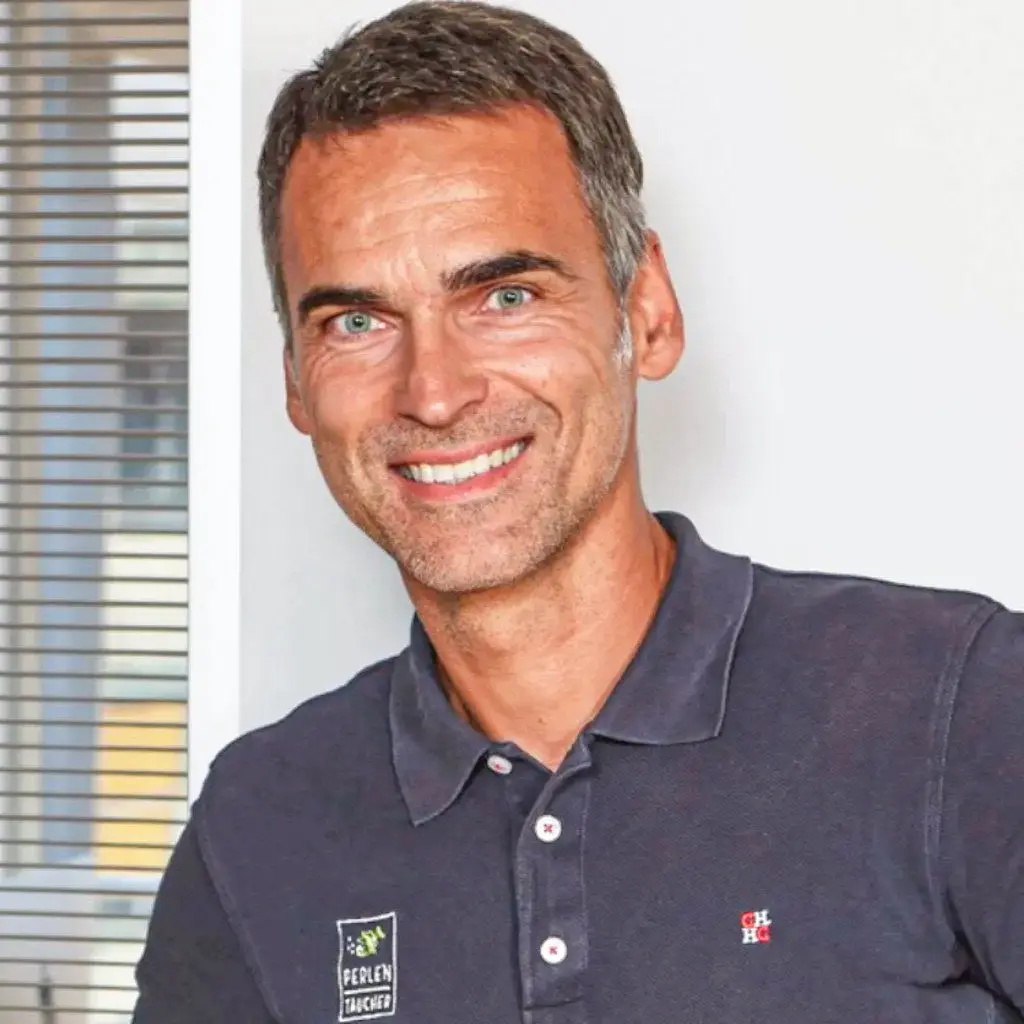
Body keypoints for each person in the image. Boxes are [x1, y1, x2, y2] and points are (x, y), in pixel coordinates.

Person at [132, 2, 1024, 1021]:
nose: (433, 393)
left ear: (647, 311)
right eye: (358, 320)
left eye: (504, 297)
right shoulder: (258, 828)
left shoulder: (957, 711)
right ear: (295, 380)